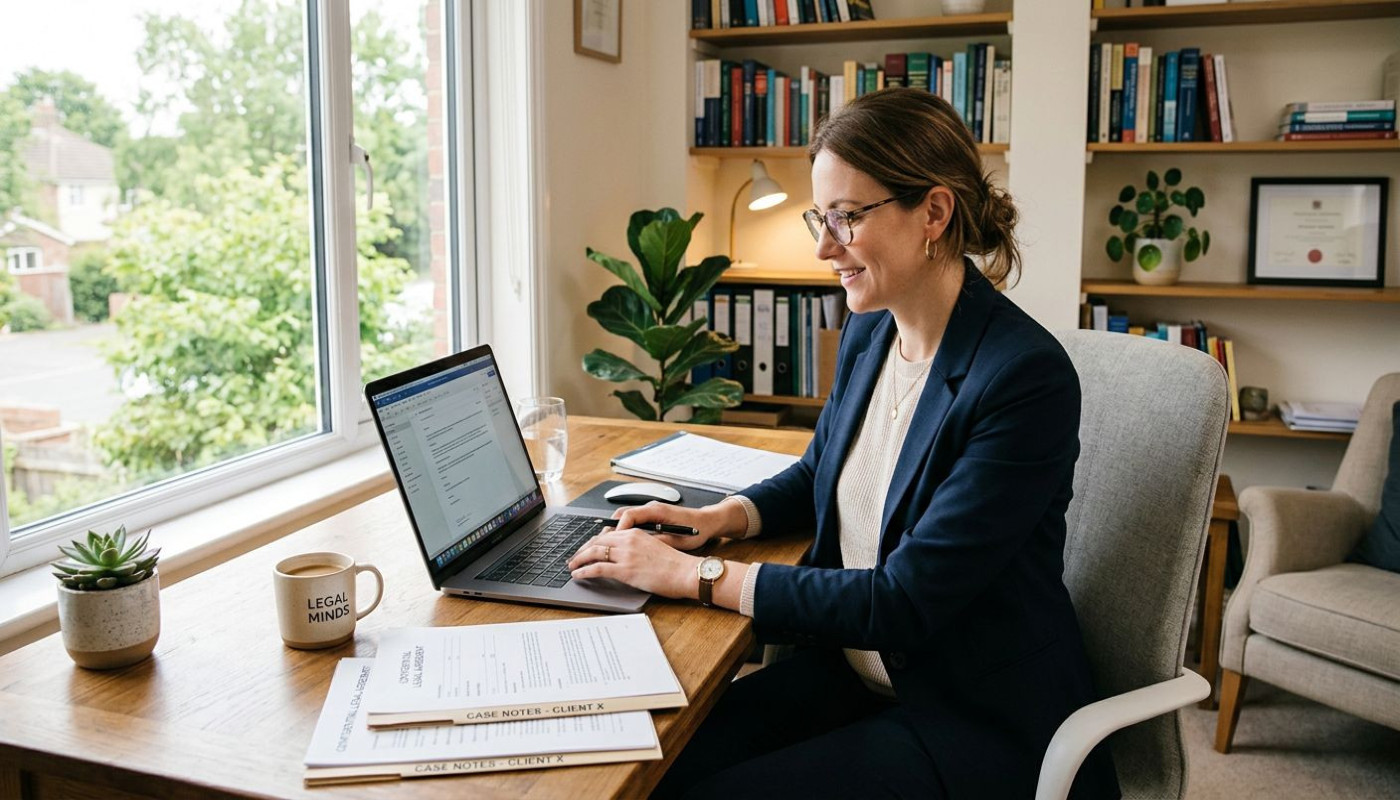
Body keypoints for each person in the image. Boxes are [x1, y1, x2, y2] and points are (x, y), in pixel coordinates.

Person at [567, 88, 1120, 799]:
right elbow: (819, 473)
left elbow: (903, 600)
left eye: (847, 217)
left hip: (968, 714)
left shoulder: (1022, 378)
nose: (824, 247)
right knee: (653, 766)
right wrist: (719, 519)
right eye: (820, 217)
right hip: (856, 672)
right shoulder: (869, 326)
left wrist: (693, 576)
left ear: (934, 213)